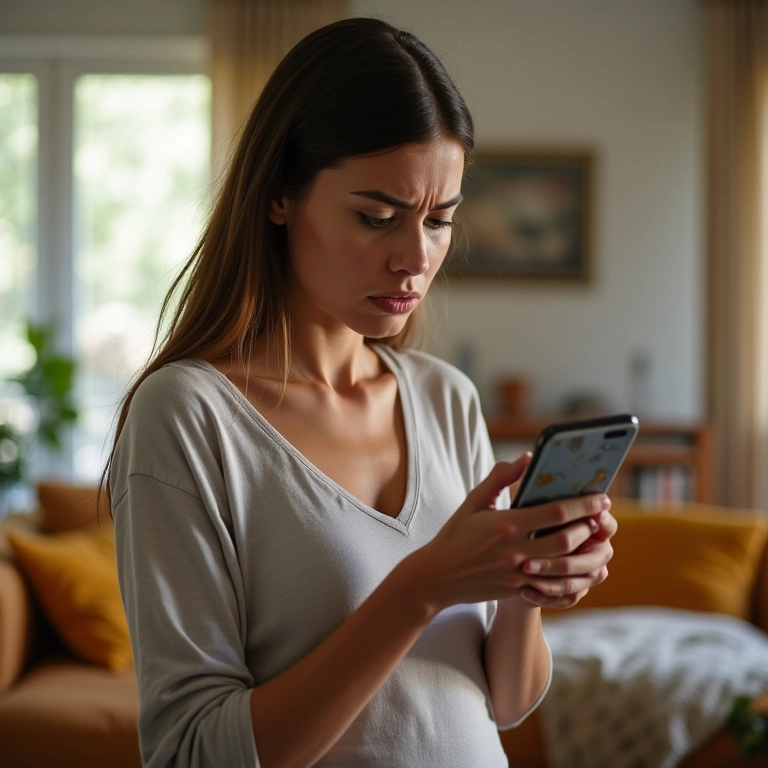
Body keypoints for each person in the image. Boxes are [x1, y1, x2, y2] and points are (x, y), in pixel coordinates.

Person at [105, 17, 617, 768]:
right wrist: (420, 587)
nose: (416, 257)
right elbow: (192, 753)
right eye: (377, 217)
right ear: (282, 196)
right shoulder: (187, 416)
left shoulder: (444, 398)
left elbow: (503, 701)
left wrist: (523, 587)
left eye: (440, 220)